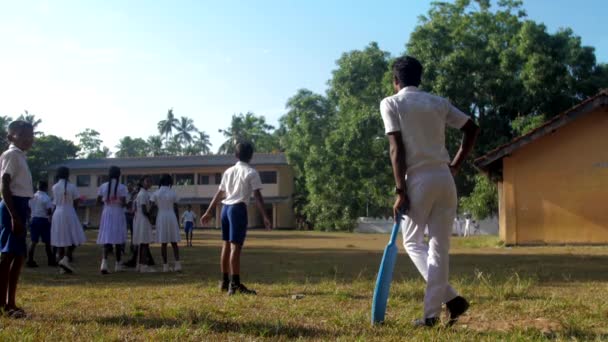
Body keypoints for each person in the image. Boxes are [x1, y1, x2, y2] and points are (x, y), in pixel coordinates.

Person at [380, 56, 479, 327]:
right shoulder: (438, 102)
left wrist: (400, 190)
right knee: (439, 248)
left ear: (395, 81)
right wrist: (456, 165)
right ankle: (434, 313)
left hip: (419, 179)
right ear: (419, 79)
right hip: (445, 179)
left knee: (412, 243)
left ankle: (449, 301)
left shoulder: (391, 103)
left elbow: (396, 150)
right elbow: (472, 128)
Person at [201, 142, 272, 296]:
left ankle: (225, 282)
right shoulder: (251, 172)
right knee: (235, 248)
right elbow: (258, 196)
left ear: (236, 155)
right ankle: (235, 284)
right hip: (237, 209)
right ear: (251, 156)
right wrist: (265, 216)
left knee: (226, 245)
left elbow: (219, 193)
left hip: (225, 209)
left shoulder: (228, 171)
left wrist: (209, 211)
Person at [0, 120, 34, 318]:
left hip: (22, 205)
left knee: (19, 256)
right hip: (13, 206)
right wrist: (14, 215)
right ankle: (4, 302)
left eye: (31, 135)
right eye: (23, 134)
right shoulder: (11, 155)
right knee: (8, 256)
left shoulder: (21, 156)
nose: (28, 139)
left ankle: (10, 302)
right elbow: (5, 185)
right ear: (11, 136)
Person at [50, 167, 87, 274]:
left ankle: (62, 267)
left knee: (60, 239)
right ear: (68, 175)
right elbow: (76, 202)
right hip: (69, 212)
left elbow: (55, 202)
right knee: (75, 237)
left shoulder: (54, 187)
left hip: (57, 212)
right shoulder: (72, 186)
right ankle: (65, 259)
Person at [96, 166, 128, 274]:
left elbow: (98, 202)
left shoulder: (103, 186)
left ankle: (104, 264)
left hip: (107, 212)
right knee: (118, 239)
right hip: (118, 212)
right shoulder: (122, 187)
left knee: (106, 238)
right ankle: (118, 264)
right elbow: (124, 203)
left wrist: (107, 202)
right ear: (119, 175)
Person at [151, 174, 181, 272]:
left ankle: (165, 266)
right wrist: (177, 220)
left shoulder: (156, 193)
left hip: (161, 216)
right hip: (171, 216)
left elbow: (152, 207)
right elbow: (176, 208)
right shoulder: (173, 193)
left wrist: (150, 218)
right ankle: (177, 264)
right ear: (169, 182)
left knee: (163, 243)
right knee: (174, 242)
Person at [26, 181, 55, 268]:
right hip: (43, 220)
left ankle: (30, 260)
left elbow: (29, 208)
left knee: (33, 241)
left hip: (34, 219)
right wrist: (50, 216)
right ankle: (50, 260)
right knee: (47, 242)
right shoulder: (46, 197)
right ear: (46, 188)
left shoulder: (32, 197)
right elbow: (49, 210)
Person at [132, 176, 156, 272]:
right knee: (144, 243)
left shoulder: (145, 193)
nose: (149, 183)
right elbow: (144, 210)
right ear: (142, 182)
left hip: (141, 219)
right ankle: (143, 265)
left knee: (143, 243)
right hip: (143, 219)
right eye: (147, 181)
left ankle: (140, 264)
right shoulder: (142, 194)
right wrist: (152, 209)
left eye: (150, 181)